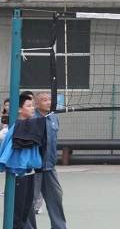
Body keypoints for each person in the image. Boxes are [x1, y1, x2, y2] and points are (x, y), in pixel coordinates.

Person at [0, 91, 44, 229]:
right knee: (17, 214)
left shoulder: (32, 125)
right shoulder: (16, 128)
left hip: (29, 173)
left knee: (25, 212)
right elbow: (7, 150)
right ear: (19, 109)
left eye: (32, 105)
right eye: (29, 106)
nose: (32, 108)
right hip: (19, 174)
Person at [26, 92, 67, 229]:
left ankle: (59, 226)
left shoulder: (54, 118)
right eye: (44, 100)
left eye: (49, 99)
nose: (48, 102)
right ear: (37, 104)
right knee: (29, 201)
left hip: (50, 168)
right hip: (34, 168)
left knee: (56, 198)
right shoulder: (31, 119)